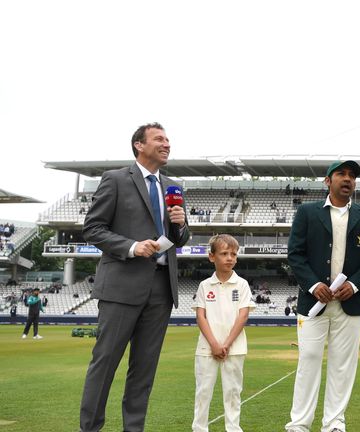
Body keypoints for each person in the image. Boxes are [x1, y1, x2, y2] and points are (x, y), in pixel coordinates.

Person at [79, 122, 190, 432]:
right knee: (104, 365)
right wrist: (131, 246)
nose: (167, 143)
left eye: (168, 139)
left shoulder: (174, 186)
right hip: (121, 287)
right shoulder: (115, 180)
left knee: (144, 371)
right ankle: (90, 428)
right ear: (139, 145)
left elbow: (180, 239)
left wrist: (180, 225)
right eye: (159, 139)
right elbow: (93, 229)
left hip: (161, 289)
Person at [285, 160, 360, 432]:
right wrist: (312, 284)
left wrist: (353, 285)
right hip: (312, 303)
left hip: (349, 304)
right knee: (309, 360)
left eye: (352, 175)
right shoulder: (306, 212)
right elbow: (295, 254)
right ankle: (299, 424)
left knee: (343, 366)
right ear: (327, 181)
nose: (347, 179)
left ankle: (334, 423)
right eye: (341, 173)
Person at [192, 234, 253, 432]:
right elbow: (201, 317)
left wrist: (225, 344)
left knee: (233, 391)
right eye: (224, 253)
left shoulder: (242, 284)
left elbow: (243, 317)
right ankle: (199, 428)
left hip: (234, 348)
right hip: (206, 348)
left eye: (233, 254)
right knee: (203, 391)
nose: (230, 258)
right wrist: (214, 344)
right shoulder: (204, 285)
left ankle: (233, 428)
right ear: (212, 257)